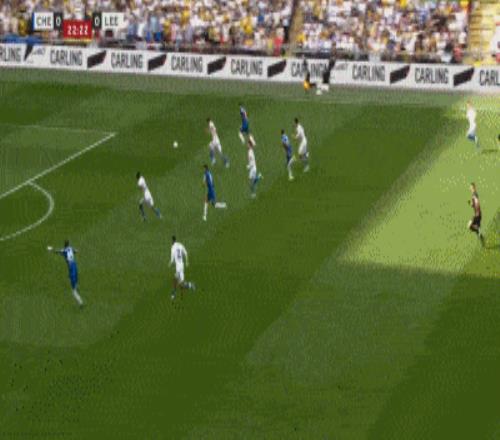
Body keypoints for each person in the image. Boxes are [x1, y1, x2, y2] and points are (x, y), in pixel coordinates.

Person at [49, 240, 84, 307]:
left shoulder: (64, 250)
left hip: (71, 267)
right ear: (68, 244)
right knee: (74, 277)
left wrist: (51, 249)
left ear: (64, 245)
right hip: (74, 265)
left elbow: (57, 251)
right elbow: (76, 251)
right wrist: (76, 251)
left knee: (73, 290)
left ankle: (80, 302)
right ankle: (76, 285)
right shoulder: (70, 248)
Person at [170, 235, 195, 301]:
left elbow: (172, 259)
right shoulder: (180, 245)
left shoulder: (173, 248)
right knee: (181, 284)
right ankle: (190, 285)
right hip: (182, 265)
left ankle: (173, 294)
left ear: (172, 241)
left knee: (175, 280)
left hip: (178, 267)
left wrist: (170, 263)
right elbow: (186, 253)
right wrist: (187, 261)